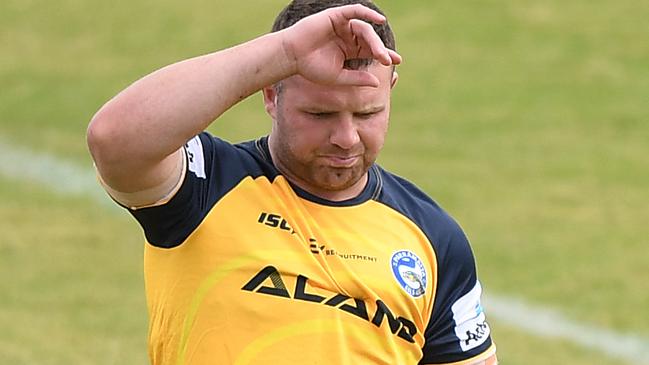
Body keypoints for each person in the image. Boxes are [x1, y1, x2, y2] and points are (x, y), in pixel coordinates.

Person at [87, 0, 498, 364]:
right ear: (271, 95)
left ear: (391, 88)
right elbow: (114, 139)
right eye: (320, 115)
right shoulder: (208, 184)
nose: (346, 137)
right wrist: (284, 52)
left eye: (367, 114)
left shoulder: (434, 238)